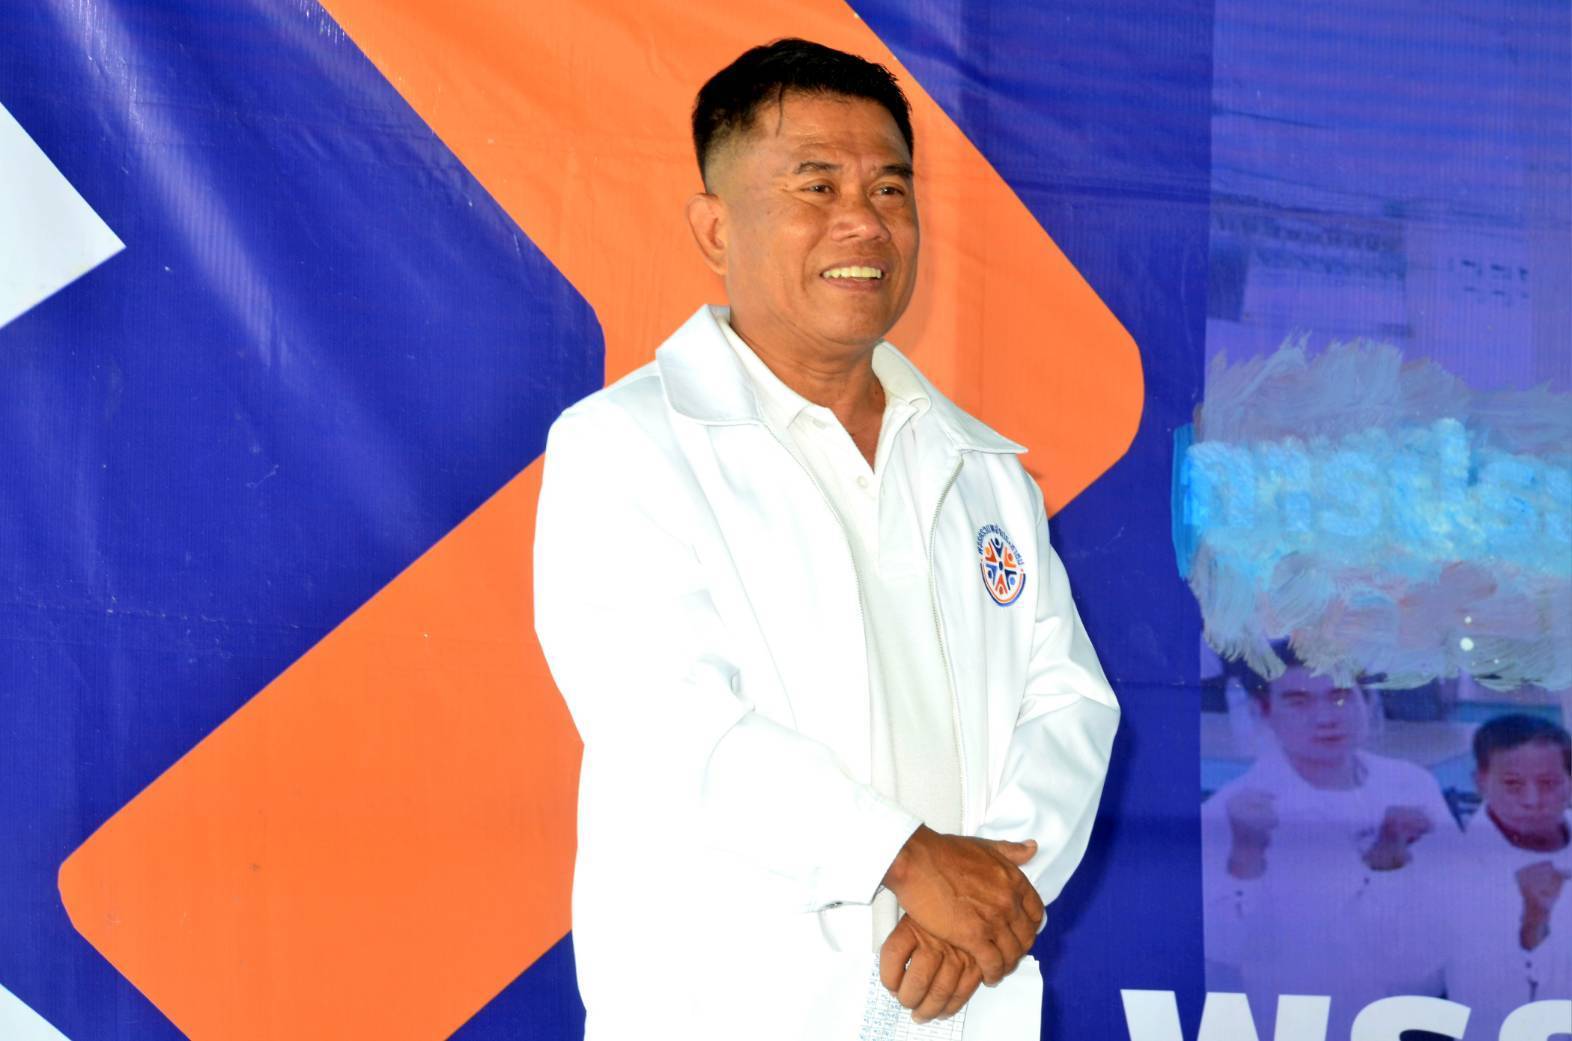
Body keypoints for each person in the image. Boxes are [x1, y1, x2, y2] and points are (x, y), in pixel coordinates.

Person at [533, 38, 1119, 1041]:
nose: (864, 221)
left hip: (954, 1004)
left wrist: (980, 902)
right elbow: (670, 724)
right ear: (715, 227)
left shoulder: (981, 469)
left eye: (890, 188)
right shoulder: (624, 446)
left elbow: (1068, 704)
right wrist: (906, 860)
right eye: (816, 185)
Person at [1200, 647, 1458, 1039]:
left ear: (1365, 701)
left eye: (1340, 696)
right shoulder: (1230, 811)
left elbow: (1456, 906)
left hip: (1415, 1018)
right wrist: (1246, 854)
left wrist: (1390, 865)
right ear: (1264, 711)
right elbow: (1222, 953)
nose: (1325, 718)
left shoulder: (1410, 784)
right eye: (1298, 702)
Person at [1434, 714, 1571, 1039]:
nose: (1532, 800)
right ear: (1480, 782)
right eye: (1513, 784)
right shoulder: (1454, 874)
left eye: (1548, 783)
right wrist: (1534, 919)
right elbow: (1501, 1004)